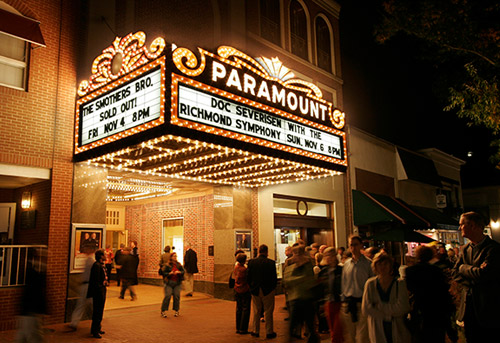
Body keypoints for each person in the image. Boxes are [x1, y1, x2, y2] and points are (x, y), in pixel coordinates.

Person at [452, 212, 500, 343]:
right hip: (468, 310)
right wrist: (474, 271)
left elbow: (486, 275)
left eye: (462, 224)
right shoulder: (465, 249)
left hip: (488, 311)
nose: (459, 228)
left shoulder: (493, 249)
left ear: (472, 225)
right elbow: (455, 273)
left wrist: (464, 268)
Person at [405, 245, 455, 343]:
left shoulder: (410, 271)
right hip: (436, 310)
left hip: (419, 309)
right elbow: (443, 291)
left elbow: (409, 289)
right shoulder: (436, 271)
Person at [361, 252, 410, 343]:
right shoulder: (370, 284)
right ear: (375, 266)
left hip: (397, 329)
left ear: (390, 265)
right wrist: (389, 315)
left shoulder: (399, 284)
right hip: (377, 328)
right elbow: (366, 309)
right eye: (379, 264)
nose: (383, 267)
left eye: (385, 264)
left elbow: (403, 307)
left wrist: (379, 306)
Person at [341, 235, 373, 343]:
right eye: (351, 245)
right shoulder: (346, 264)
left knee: (362, 337)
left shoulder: (368, 264)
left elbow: (371, 283)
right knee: (350, 336)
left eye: (355, 244)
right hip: (349, 303)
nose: (353, 248)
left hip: (362, 303)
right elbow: (344, 282)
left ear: (361, 245)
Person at [284, 245, 319, 343]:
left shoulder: (308, 263)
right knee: (294, 326)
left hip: (304, 299)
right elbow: (287, 280)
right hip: (297, 299)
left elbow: (310, 280)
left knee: (309, 326)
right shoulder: (291, 264)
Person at [247, 244, 278, 339]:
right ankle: (269, 331)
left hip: (255, 289)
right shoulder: (271, 263)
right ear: (267, 252)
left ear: (259, 251)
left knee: (256, 310)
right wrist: (273, 288)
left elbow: (248, 276)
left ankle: (255, 331)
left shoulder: (251, 262)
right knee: (268, 311)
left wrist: (251, 287)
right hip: (268, 290)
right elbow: (274, 278)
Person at [16, 248, 46, 343]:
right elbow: (37, 291)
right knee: (34, 335)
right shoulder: (34, 272)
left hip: (27, 309)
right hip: (31, 310)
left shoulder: (29, 270)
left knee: (23, 335)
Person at [66, 246, 95, 331]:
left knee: (81, 305)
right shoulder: (91, 261)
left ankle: (74, 323)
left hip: (86, 285)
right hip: (88, 285)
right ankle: (96, 323)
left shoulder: (89, 261)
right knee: (89, 305)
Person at [87, 249, 108, 339]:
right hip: (98, 292)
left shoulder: (101, 265)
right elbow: (95, 280)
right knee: (97, 311)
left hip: (101, 290)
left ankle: (97, 328)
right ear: (101, 256)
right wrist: (101, 285)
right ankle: (95, 331)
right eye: (105, 254)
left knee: (100, 311)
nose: (106, 256)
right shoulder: (96, 266)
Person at [161, 252, 185, 318]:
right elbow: (163, 273)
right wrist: (169, 273)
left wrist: (179, 272)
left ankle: (176, 310)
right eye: (174, 256)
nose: (175, 257)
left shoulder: (179, 265)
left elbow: (183, 271)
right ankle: (163, 310)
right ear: (171, 257)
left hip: (177, 283)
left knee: (177, 296)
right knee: (168, 296)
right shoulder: (167, 265)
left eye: (176, 256)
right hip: (169, 283)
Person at [234, 252, 251, 334]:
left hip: (237, 289)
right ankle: (243, 328)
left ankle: (238, 327)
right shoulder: (244, 269)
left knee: (238, 309)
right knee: (245, 309)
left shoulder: (236, 267)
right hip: (244, 290)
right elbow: (248, 279)